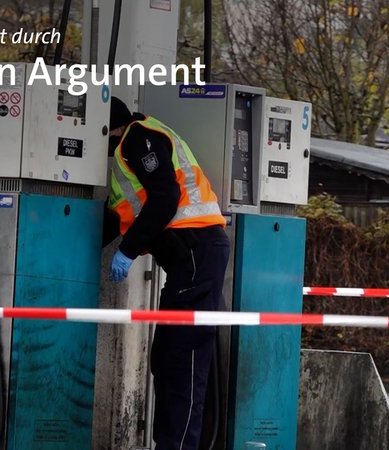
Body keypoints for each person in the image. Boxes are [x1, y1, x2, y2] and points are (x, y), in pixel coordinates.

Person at [103, 97, 229, 450]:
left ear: (108, 129)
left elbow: (164, 198)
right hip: (186, 260)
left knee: (183, 361)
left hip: (196, 252)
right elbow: (122, 213)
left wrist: (127, 252)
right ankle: (168, 443)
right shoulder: (132, 146)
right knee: (166, 357)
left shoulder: (138, 139)